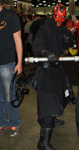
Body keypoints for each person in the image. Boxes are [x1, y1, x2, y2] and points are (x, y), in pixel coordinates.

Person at [32, 4, 74, 150]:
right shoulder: (44, 28)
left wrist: (70, 39)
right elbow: (37, 45)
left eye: (62, 18)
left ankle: (54, 117)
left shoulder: (62, 28)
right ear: (53, 14)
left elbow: (68, 41)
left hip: (57, 70)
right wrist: (45, 53)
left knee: (62, 97)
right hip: (46, 70)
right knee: (47, 104)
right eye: (58, 17)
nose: (59, 20)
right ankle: (43, 142)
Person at [0, 0, 23, 137]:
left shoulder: (10, 16)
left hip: (8, 64)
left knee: (9, 96)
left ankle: (15, 122)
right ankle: (3, 122)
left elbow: (18, 41)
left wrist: (19, 62)